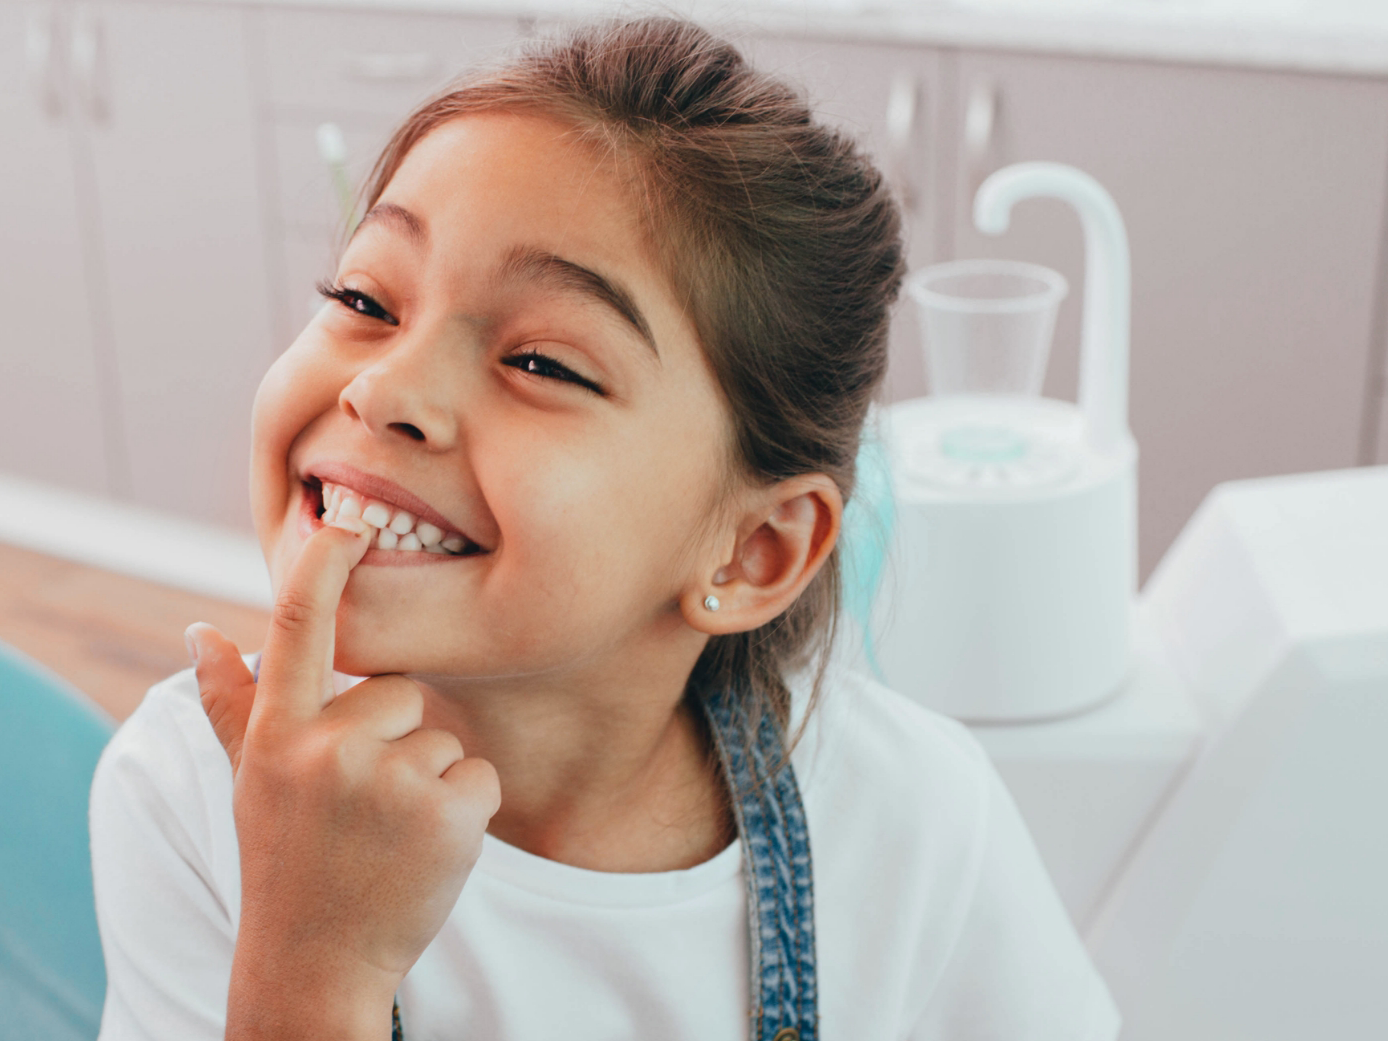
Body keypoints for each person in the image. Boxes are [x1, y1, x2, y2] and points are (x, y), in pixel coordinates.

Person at [89, 16, 1116, 1040]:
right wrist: (312, 961)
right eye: (366, 297)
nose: (382, 387)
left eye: (542, 364)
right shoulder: (189, 793)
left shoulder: (917, 823)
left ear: (754, 552)